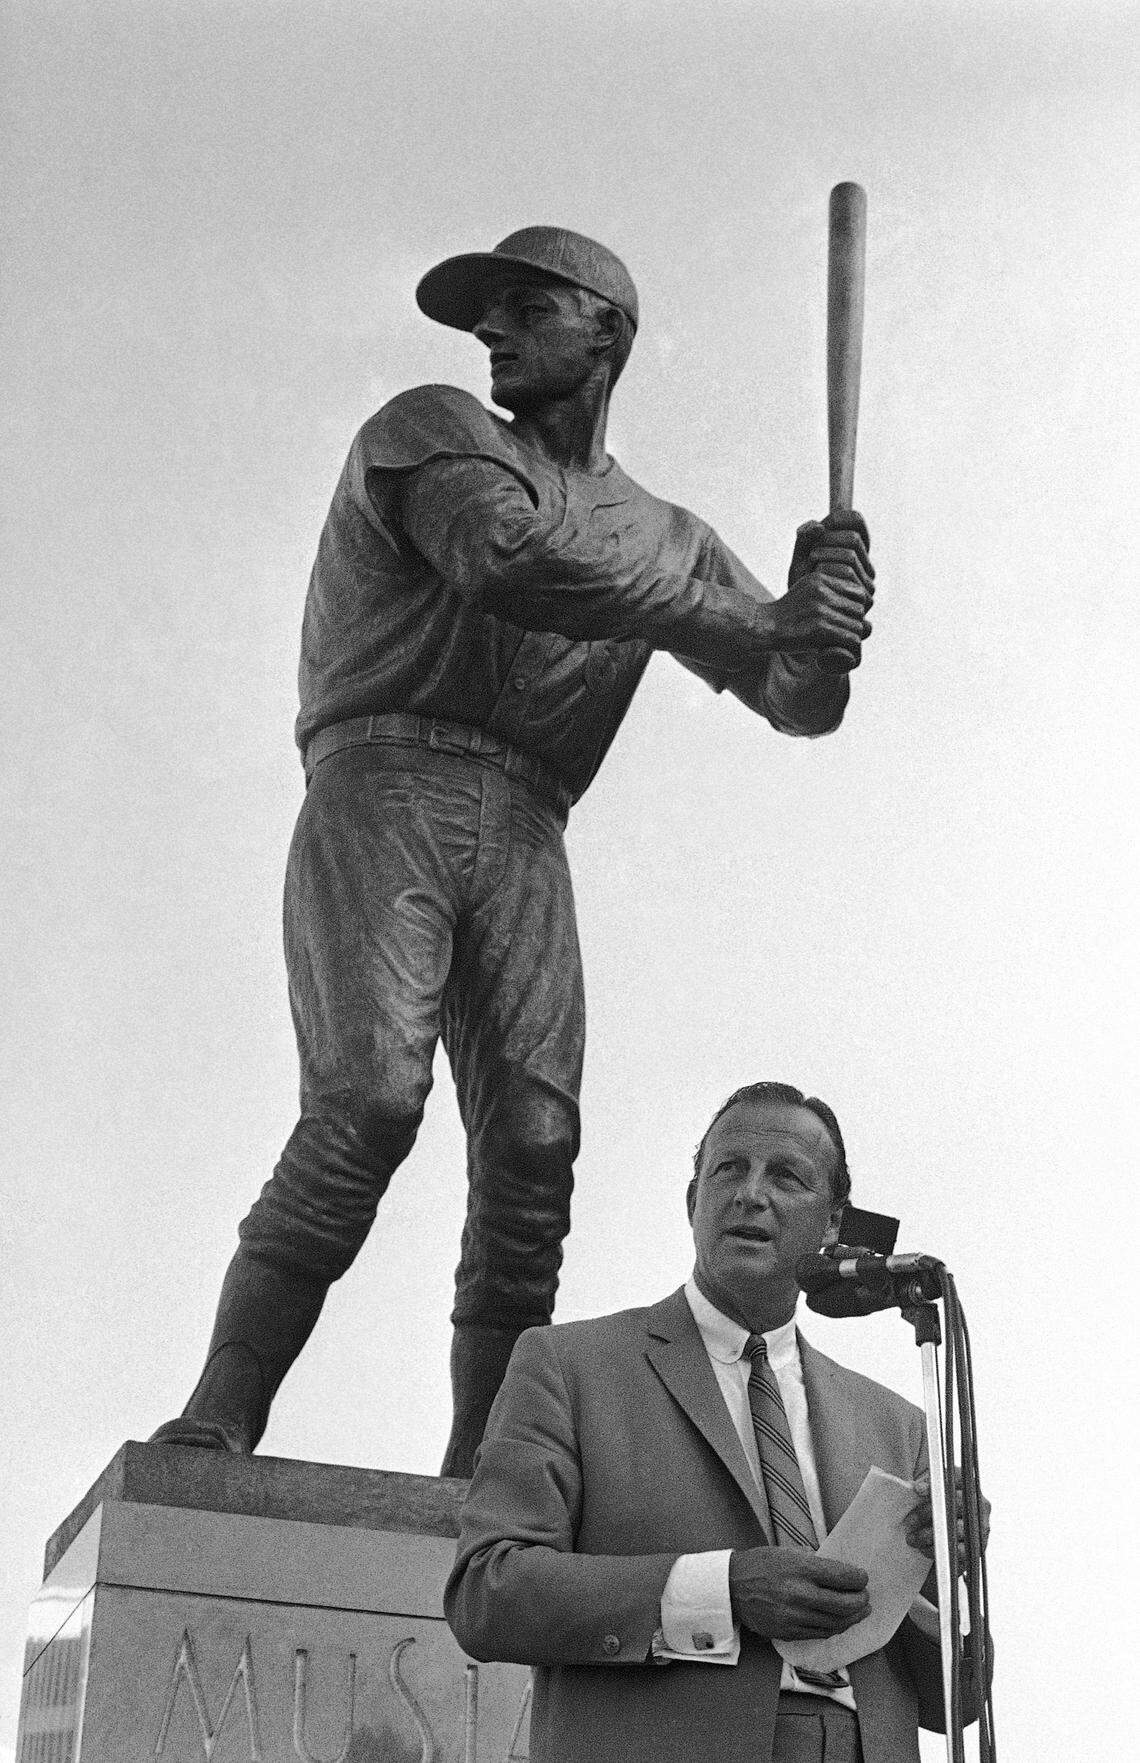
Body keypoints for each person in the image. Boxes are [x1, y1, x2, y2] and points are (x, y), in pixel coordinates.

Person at [152, 229, 876, 1476]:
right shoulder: (430, 427)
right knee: (368, 1101)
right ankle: (222, 1406)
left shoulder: (670, 536)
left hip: (533, 818)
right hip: (385, 777)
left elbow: (797, 697)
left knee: (536, 1150)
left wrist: (828, 608)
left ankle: (483, 1468)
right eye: (487, 312)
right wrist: (761, 617)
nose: (491, 330)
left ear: (606, 332)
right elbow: (508, 560)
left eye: (524, 307)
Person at [445, 1083, 991, 1763]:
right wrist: (721, 1588)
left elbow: (958, 1701)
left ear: (832, 1224)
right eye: (729, 1168)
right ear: (692, 1201)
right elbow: (488, 1593)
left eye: (786, 1176)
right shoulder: (568, 1365)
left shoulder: (898, 1424)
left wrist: (953, 1562)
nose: (750, 1193)